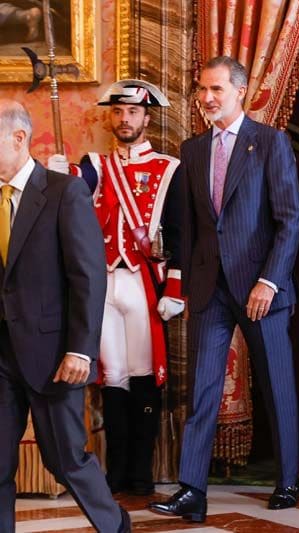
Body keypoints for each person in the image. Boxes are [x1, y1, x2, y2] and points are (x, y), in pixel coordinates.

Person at [148, 55, 299, 521]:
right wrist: (186, 284)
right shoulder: (191, 149)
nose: (207, 98)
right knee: (201, 392)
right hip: (209, 290)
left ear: (240, 91)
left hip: (262, 290)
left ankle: (289, 480)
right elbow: (193, 227)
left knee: (277, 389)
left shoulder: (270, 142)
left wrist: (269, 281)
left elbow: (290, 221)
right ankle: (192, 489)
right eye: (201, 90)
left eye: (216, 89)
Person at [0, 100, 130, 532]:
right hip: (0, 356)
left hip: (53, 354)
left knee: (66, 460)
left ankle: (116, 527)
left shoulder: (63, 192)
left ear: (19, 138)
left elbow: (88, 277)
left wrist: (81, 349)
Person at [48, 79, 183, 496]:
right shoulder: (94, 165)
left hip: (143, 285)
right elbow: (67, 201)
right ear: (111, 117)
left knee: (144, 376)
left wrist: (174, 288)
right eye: (119, 112)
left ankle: (141, 472)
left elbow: (180, 231)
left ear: (147, 118)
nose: (125, 120)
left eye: (133, 113)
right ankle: (116, 472)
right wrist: (54, 174)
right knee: (113, 379)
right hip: (102, 288)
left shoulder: (167, 168)